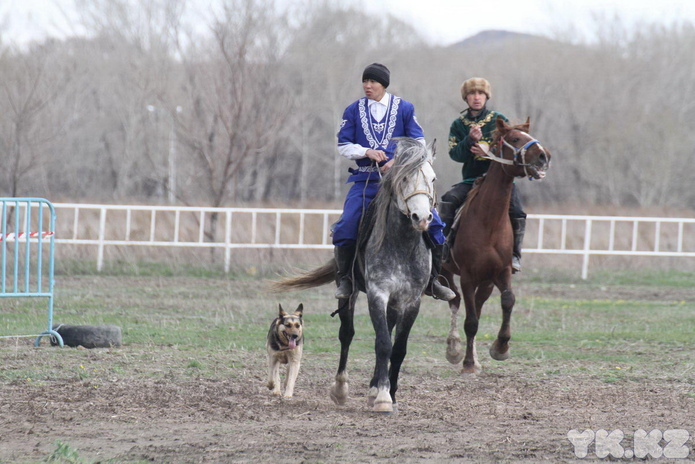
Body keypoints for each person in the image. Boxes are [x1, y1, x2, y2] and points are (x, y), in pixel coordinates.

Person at [332, 63, 455, 301]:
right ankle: (346, 278)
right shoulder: (353, 110)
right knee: (347, 224)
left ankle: (434, 280)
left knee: (436, 224)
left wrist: (397, 161)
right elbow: (343, 145)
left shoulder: (404, 108)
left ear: (383, 85)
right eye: (365, 81)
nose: (367, 86)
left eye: (373, 82)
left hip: (402, 181)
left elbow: (418, 142)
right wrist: (367, 152)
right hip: (367, 180)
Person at [440, 77, 527, 272]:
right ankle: (443, 248)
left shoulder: (499, 120)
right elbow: (456, 155)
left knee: (518, 211)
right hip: (471, 180)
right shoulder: (458, 125)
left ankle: (515, 255)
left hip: (498, 182)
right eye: (472, 94)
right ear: (466, 98)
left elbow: (510, 151)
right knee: (448, 200)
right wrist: (469, 140)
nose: (476, 97)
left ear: (486, 97)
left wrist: (489, 151)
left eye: (480, 93)